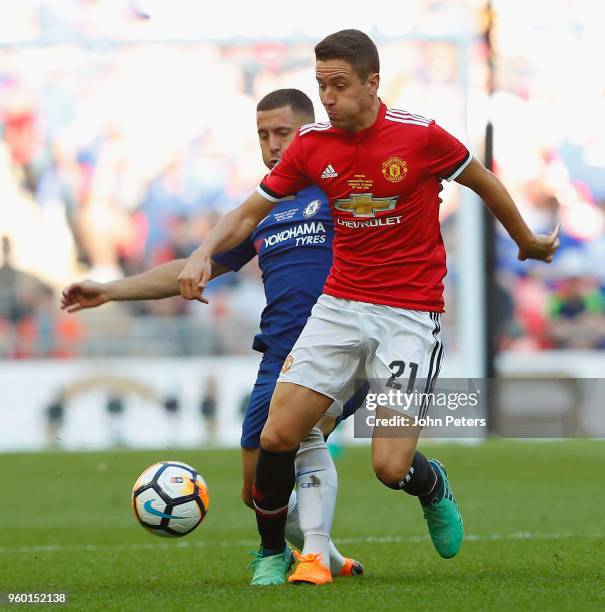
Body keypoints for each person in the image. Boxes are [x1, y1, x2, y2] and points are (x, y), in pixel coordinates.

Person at [177, 29, 560, 586]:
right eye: (320, 85)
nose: (327, 98)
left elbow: (483, 180)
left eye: (338, 85)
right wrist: (202, 252)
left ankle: (430, 484)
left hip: (408, 315)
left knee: (388, 467)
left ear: (372, 83)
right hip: (338, 306)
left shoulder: (420, 136)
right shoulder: (312, 144)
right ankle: (270, 555)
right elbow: (247, 210)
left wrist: (524, 238)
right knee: (276, 436)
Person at [61, 88, 366, 584]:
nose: (271, 146)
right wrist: (110, 290)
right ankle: (327, 556)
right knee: (259, 490)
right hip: (279, 355)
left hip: (340, 348)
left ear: (309, 133)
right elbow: (192, 269)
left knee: (298, 439)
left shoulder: (342, 192)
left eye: (282, 134)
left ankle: (300, 557)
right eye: (263, 135)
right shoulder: (261, 209)